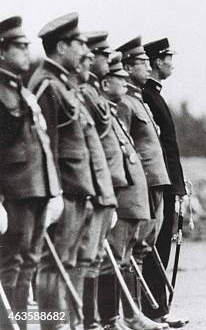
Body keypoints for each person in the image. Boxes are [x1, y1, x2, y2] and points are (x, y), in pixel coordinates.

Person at [28, 12, 97, 329]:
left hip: (75, 189)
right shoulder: (46, 84)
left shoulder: (61, 84)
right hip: (63, 190)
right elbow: (45, 144)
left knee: (67, 264)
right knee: (52, 266)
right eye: (79, 44)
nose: (86, 52)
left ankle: (66, 324)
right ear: (61, 46)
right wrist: (52, 193)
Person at [0, 16, 62, 329]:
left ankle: (20, 324)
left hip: (37, 187)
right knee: (12, 261)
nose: (27, 51)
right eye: (20, 46)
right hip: (13, 191)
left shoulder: (21, 91)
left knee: (29, 261)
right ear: (2, 51)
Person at [98, 51, 163, 330]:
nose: (124, 83)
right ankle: (108, 320)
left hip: (135, 189)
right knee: (112, 257)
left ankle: (130, 316)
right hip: (121, 193)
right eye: (118, 77)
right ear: (105, 82)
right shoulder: (121, 105)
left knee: (130, 255)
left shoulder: (121, 106)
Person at [115, 37, 173, 327]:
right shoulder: (126, 102)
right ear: (127, 66)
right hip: (143, 183)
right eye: (142, 62)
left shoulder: (138, 98)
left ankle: (139, 314)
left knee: (143, 249)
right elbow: (124, 145)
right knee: (133, 249)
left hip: (155, 180)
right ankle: (132, 314)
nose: (148, 66)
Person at [141, 38, 188, 327]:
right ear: (157, 61)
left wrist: (180, 184)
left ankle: (158, 308)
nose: (172, 61)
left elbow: (169, 147)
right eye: (169, 56)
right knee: (156, 247)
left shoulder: (155, 95)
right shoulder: (147, 95)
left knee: (162, 247)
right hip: (158, 183)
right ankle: (153, 309)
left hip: (168, 181)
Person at [75, 40, 119, 329]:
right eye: (100, 55)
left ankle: (100, 321)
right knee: (80, 260)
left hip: (104, 186)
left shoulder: (91, 93)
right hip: (86, 187)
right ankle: (86, 322)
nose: (102, 59)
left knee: (95, 258)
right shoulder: (82, 93)